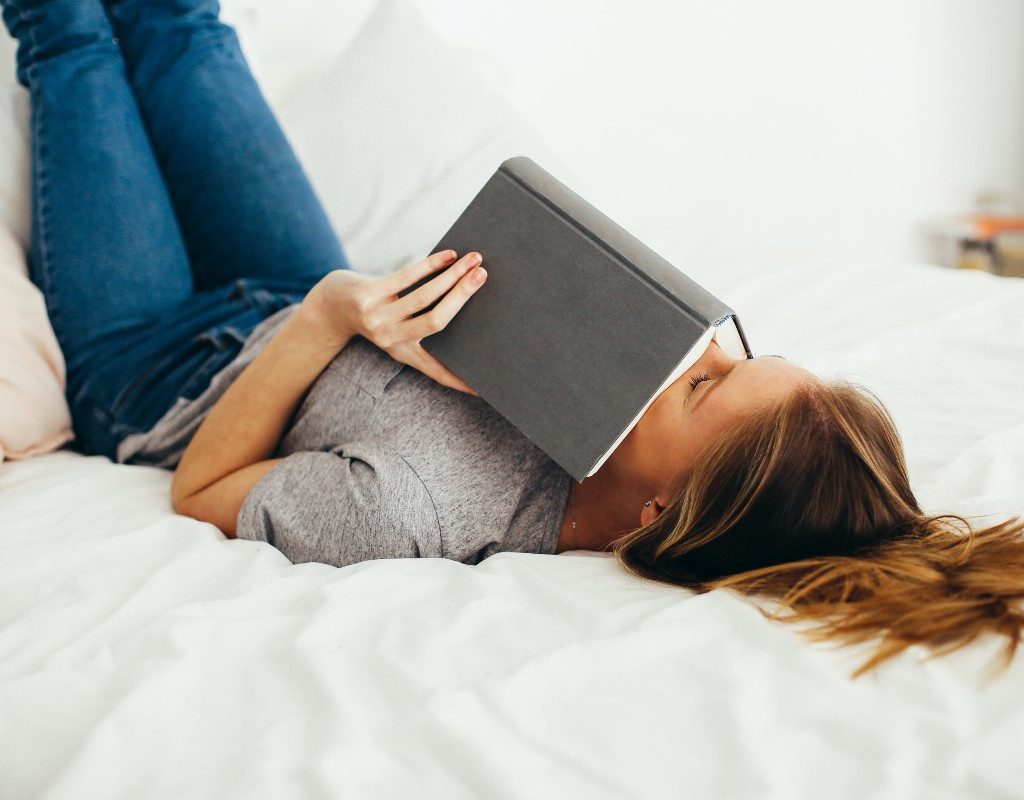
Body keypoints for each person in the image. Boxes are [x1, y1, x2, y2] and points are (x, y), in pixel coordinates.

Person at [5, 0, 1022, 678]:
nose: (689, 354)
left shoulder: (418, 510)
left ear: (667, 506)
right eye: (730, 352)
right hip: (297, 287)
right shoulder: (590, 389)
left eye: (704, 389)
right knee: (181, 24)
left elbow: (200, 489)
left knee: (74, 35)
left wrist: (326, 315)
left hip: (161, 369)